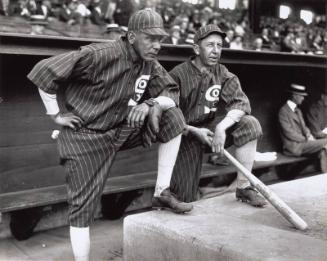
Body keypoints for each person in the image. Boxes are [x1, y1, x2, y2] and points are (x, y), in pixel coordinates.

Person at [27, 8, 192, 261]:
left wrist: (150, 104)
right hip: (87, 136)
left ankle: (162, 192)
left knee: (173, 117)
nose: (157, 45)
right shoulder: (100, 54)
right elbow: (44, 72)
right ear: (132, 36)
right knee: (82, 211)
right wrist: (56, 115)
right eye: (151, 38)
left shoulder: (149, 62)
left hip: (120, 130)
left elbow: (172, 92)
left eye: (161, 39)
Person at [169, 24, 266, 208]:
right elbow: (169, 116)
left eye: (219, 45)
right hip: (185, 135)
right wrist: (192, 130)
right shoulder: (178, 73)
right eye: (210, 45)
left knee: (250, 124)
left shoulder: (221, 72)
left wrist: (222, 127)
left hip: (211, 133)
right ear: (197, 48)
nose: (216, 51)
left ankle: (244, 187)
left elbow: (241, 103)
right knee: (184, 199)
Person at [278, 84, 327, 172]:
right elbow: (289, 133)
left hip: (302, 144)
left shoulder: (298, 110)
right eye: (301, 96)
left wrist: (309, 135)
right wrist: (306, 139)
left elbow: (305, 128)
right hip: (293, 147)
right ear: (294, 96)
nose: (303, 98)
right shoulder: (283, 112)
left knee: (323, 150)